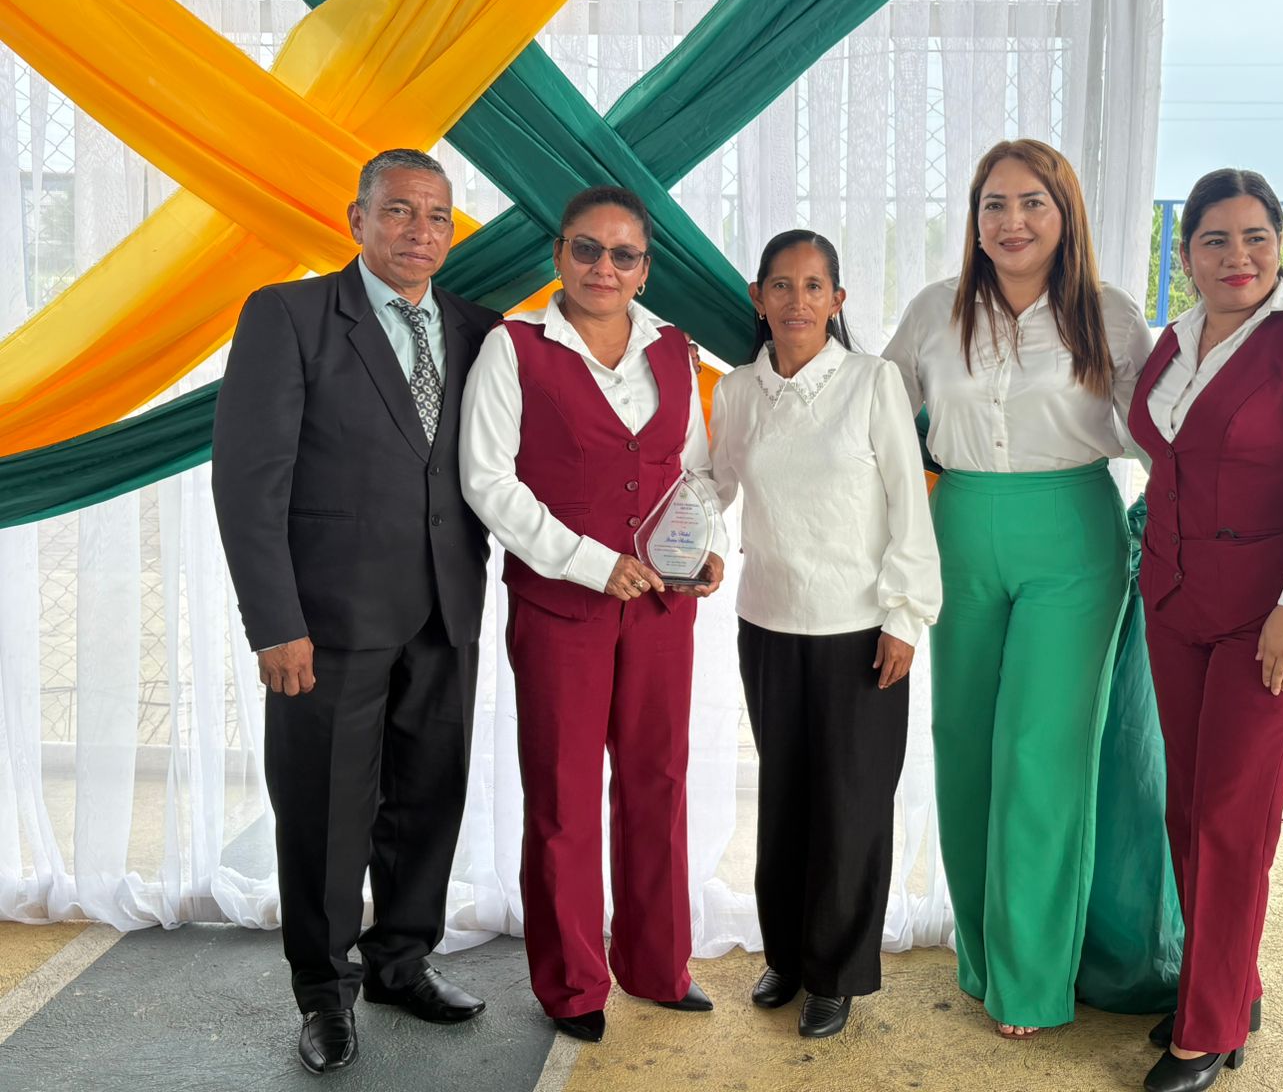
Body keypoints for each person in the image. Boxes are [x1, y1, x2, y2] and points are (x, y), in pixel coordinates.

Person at [213, 149, 501, 1075]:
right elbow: (248, 483)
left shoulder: (481, 329)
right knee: (326, 812)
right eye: (401, 211)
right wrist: (274, 622)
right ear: (358, 219)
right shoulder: (289, 315)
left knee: (428, 798)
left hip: (446, 606)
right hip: (326, 622)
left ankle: (401, 964)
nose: (421, 231)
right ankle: (324, 994)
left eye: (438, 217)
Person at [883, 138, 1169, 1037]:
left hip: (1073, 537)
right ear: (974, 220)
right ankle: (982, 954)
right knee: (964, 745)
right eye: (994, 205)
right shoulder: (934, 312)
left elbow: (1162, 433)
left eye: (1032, 202)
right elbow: (878, 418)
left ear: (1065, 212)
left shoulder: (1110, 317)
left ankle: (1033, 978)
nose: (1012, 221)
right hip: (960, 530)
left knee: (1043, 756)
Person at [459, 185, 726, 1046]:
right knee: (564, 794)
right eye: (586, 249)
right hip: (559, 606)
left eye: (623, 254)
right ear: (558, 256)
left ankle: (657, 964)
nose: (603, 267)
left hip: (663, 607)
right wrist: (590, 562)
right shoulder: (513, 348)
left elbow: (693, 470)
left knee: (658, 779)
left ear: (645, 267)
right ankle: (573, 984)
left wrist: (703, 545)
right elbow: (487, 482)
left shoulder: (674, 349)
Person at [1129, 169, 1283, 1092]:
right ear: (1186, 253)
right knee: (1189, 809)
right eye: (1216, 240)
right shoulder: (1175, 340)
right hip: (1175, 600)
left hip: (1270, 612)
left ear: (1279, 244)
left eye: (1255, 237)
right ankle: (1228, 986)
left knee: (1233, 816)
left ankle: (1209, 1028)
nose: (1239, 257)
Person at [708, 230, 941, 1040]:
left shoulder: (873, 383)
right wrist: (690, 545)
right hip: (767, 623)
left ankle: (836, 974)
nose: (797, 301)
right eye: (781, 285)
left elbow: (909, 505)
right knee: (785, 799)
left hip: (860, 631)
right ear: (758, 297)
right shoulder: (736, 391)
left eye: (814, 287)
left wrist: (906, 617)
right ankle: (787, 954)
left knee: (850, 804)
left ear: (838, 300)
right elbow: (711, 487)